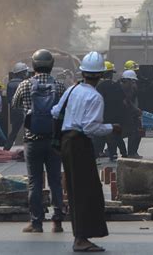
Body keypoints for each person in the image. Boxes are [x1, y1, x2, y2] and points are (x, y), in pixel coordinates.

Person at [52, 51, 122, 253]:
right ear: (100, 75)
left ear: (82, 73)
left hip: (66, 141)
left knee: (76, 190)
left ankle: (81, 236)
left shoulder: (72, 90)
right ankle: (81, 239)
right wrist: (112, 127)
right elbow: (91, 128)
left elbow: (55, 111)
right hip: (79, 144)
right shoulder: (95, 97)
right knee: (86, 192)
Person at [12, 49, 65, 233]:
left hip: (32, 141)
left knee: (35, 182)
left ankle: (36, 223)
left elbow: (15, 104)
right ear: (51, 66)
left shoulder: (25, 85)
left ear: (33, 65)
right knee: (55, 181)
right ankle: (57, 222)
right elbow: (65, 109)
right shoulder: (59, 86)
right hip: (53, 142)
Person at [95, 61, 127, 161]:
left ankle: (100, 154)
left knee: (103, 135)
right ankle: (121, 153)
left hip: (104, 115)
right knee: (117, 135)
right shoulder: (117, 85)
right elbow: (124, 100)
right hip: (117, 116)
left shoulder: (99, 86)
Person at [5, 62, 29, 150]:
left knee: (14, 131)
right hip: (24, 110)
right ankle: (29, 150)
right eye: (25, 71)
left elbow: (8, 100)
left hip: (14, 111)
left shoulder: (9, 83)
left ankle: (6, 149)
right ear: (21, 72)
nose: (26, 73)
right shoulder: (24, 83)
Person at [119, 70, 143, 158]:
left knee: (138, 132)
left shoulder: (131, 88)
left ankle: (132, 152)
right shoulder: (122, 89)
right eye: (132, 81)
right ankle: (130, 153)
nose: (133, 83)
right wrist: (135, 109)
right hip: (125, 115)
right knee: (131, 132)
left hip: (132, 114)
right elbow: (126, 102)